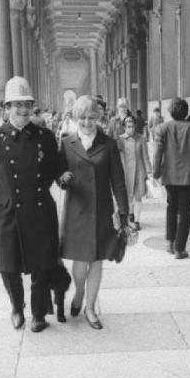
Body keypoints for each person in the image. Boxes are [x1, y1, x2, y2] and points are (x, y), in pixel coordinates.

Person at [0, 76, 61, 333]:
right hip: (7, 211)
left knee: (41, 264)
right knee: (8, 265)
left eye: (27, 105)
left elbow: (52, 170)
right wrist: (6, 194)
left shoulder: (44, 137)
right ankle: (16, 307)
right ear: (6, 108)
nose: (23, 110)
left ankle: (37, 314)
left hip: (38, 208)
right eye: (17, 105)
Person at [58, 95, 129, 329]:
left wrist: (124, 212)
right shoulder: (66, 143)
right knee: (79, 263)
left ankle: (90, 307)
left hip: (101, 210)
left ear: (98, 118)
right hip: (77, 210)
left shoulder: (108, 144)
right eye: (82, 118)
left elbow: (118, 180)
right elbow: (59, 175)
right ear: (76, 118)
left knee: (97, 260)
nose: (87, 122)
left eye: (91, 117)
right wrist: (63, 180)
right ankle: (78, 292)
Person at [153, 97, 190, 259]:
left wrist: (156, 173)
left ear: (170, 112)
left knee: (171, 208)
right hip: (188, 176)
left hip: (169, 176)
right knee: (185, 213)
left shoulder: (162, 128)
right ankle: (180, 248)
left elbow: (157, 154)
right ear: (186, 111)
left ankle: (169, 242)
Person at [117, 115, 152, 231]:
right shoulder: (120, 140)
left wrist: (149, 171)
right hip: (125, 171)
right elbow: (116, 157)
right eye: (128, 127)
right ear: (124, 127)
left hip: (139, 171)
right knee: (128, 196)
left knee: (137, 196)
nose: (131, 129)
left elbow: (145, 156)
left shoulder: (141, 138)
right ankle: (130, 215)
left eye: (132, 126)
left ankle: (136, 220)